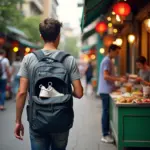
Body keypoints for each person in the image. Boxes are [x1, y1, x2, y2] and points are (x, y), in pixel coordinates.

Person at [14, 18, 83, 150]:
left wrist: (18, 121)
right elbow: (79, 93)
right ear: (58, 36)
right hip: (62, 119)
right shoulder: (69, 60)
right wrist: (64, 92)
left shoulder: (29, 59)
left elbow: (22, 92)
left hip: (37, 118)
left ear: (41, 36)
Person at [98, 44, 126, 143]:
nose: (117, 54)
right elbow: (106, 76)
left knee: (107, 112)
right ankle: (105, 134)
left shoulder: (109, 60)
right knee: (106, 112)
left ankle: (107, 133)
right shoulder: (107, 61)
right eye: (117, 52)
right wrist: (119, 79)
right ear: (111, 50)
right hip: (105, 91)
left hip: (107, 90)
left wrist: (116, 85)